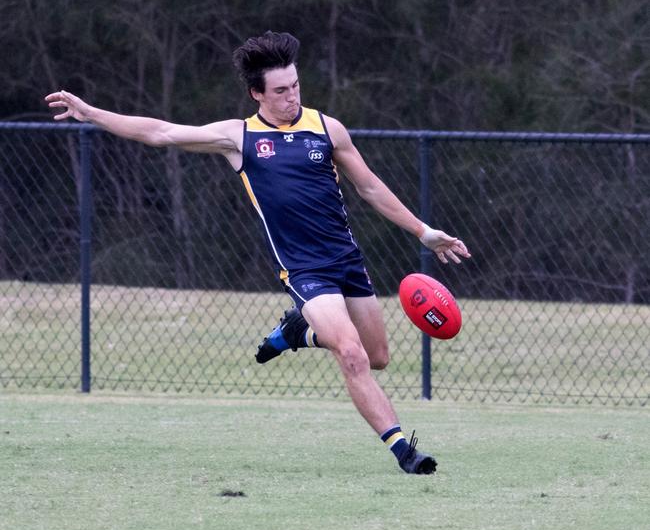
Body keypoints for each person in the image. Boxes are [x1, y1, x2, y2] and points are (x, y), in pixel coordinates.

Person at [45, 31, 470, 475]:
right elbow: (161, 133)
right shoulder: (239, 137)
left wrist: (424, 232)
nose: (292, 97)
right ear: (257, 94)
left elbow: (369, 187)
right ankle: (404, 451)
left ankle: (296, 334)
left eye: (296, 87)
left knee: (377, 355)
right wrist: (91, 113)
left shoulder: (327, 129)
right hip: (303, 269)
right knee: (351, 354)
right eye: (281, 91)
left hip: (346, 260)